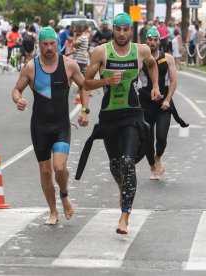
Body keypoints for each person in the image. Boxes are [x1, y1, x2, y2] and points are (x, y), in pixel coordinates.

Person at [81, 13, 161, 235]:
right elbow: (86, 83)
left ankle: (125, 215)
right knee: (116, 165)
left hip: (132, 116)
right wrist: (105, 81)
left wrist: (155, 86)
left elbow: (152, 64)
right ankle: (123, 189)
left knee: (128, 162)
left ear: (131, 31)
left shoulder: (141, 50)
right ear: (113, 30)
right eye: (119, 29)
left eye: (126, 29)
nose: (123, 33)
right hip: (109, 118)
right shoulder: (101, 52)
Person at [12, 27, 87, 225]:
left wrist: (85, 110)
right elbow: (16, 89)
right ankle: (53, 211)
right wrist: (18, 100)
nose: (48, 48)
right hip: (39, 127)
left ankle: (64, 195)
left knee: (60, 167)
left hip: (61, 126)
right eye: (44, 44)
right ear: (39, 46)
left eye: (52, 43)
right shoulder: (30, 67)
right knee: (46, 172)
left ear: (57, 43)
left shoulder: (69, 65)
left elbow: (84, 85)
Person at [138, 27, 188, 180]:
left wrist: (167, 99)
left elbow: (173, 81)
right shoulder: (139, 59)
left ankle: (158, 156)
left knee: (161, 136)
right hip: (146, 102)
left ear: (160, 41)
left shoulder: (167, 58)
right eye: (150, 39)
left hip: (163, 103)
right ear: (146, 40)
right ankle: (152, 166)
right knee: (147, 138)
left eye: (156, 39)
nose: (153, 42)